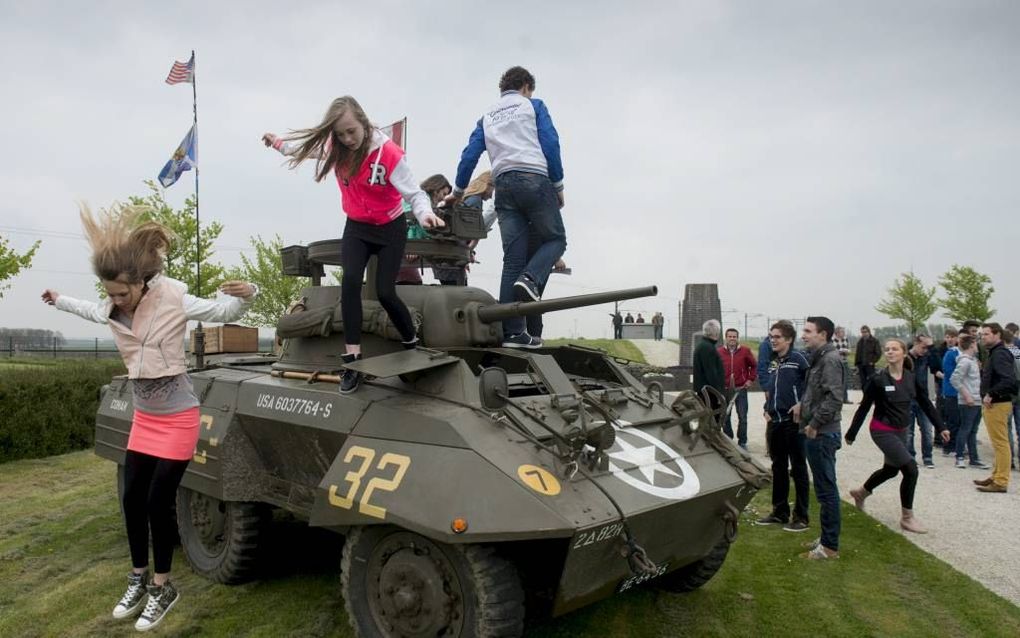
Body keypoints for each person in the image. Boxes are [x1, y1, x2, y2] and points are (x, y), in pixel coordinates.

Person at [42, 204, 258, 630]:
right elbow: (89, 310)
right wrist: (59, 300)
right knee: (130, 499)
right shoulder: (111, 305)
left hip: (178, 415)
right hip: (145, 416)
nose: (116, 300)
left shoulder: (173, 296)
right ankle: (138, 577)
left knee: (159, 501)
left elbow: (223, 313)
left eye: (123, 293)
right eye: (111, 293)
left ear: (141, 281)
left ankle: (163, 586)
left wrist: (248, 293)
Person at [262, 96, 444, 392]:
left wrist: (426, 215)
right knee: (349, 284)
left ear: (363, 122)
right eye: (341, 134)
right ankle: (353, 359)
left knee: (386, 291)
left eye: (352, 131)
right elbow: (306, 150)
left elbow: (415, 194)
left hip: (389, 227)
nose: (348, 139)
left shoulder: (389, 154)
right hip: (358, 227)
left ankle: (411, 341)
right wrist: (279, 143)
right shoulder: (336, 147)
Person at [446, 65, 566, 349]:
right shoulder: (533, 105)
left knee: (512, 259)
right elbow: (550, 142)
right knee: (556, 239)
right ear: (525, 86)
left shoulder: (486, 117)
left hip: (503, 185)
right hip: (533, 178)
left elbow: (470, 154)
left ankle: (513, 333)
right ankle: (531, 279)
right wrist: (558, 185)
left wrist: (459, 191)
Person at [846, 339, 949, 533]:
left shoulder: (911, 378)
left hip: (901, 430)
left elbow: (926, 403)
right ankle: (907, 518)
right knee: (911, 469)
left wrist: (941, 426)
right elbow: (864, 408)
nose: (890, 352)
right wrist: (852, 433)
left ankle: (860, 493)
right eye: (887, 349)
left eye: (894, 349)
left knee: (890, 470)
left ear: (903, 353)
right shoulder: (878, 380)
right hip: (882, 430)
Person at [794, 316, 844, 560]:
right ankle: (826, 537)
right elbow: (816, 393)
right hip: (817, 430)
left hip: (822, 433)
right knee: (824, 489)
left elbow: (834, 398)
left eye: (808, 331)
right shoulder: (820, 358)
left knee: (826, 491)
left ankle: (829, 547)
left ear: (823, 334)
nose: (803, 335)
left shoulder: (831, 360)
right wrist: (801, 406)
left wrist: (814, 423)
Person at [756, 321, 811, 532]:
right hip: (775, 422)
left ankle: (801, 516)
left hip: (793, 422)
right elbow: (772, 388)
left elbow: (811, 387)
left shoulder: (799, 360)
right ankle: (779, 512)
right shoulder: (773, 362)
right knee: (778, 467)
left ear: (788, 339)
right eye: (771, 336)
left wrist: (802, 404)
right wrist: (767, 407)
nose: (773, 340)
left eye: (777, 337)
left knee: (798, 468)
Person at [974, 323, 1019, 493]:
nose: (983, 337)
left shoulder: (1000, 354)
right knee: (998, 442)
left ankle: (1001, 481)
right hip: (995, 403)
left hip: (998, 403)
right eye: (982, 334)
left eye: (986, 334)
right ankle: (996, 475)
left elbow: (1009, 381)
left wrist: (991, 393)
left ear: (997, 334)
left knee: (1001, 443)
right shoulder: (995, 353)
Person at [397, 174, 452, 285]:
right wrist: (413, 247)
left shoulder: (426, 203)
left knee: (413, 280)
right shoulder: (420, 201)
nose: (443, 198)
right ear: (436, 190)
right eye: (443, 193)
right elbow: (409, 222)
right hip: (408, 245)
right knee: (412, 281)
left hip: (408, 245)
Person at [950, 334, 989, 470]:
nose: (978, 346)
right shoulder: (965, 361)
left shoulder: (972, 361)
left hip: (977, 399)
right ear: (972, 345)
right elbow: (955, 379)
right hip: (969, 401)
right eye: (976, 344)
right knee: (965, 429)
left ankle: (974, 458)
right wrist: (967, 395)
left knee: (973, 430)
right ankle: (959, 457)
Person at [718, 328, 757, 450]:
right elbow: (715, 369)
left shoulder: (745, 351)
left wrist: (750, 379)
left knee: (742, 416)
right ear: (726, 338)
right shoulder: (719, 352)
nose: (732, 339)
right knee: (725, 415)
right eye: (730, 336)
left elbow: (754, 366)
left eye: (734, 336)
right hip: (724, 389)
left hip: (741, 389)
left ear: (737, 338)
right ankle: (728, 439)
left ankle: (742, 442)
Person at [906, 334, 937, 468]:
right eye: (924, 347)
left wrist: (932, 349)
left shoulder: (926, 357)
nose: (925, 350)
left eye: (927, 348)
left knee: (927, 429)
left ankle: (928, 456)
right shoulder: (905, 357)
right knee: (908, 431)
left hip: (923, 398)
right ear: (916, 343)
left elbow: (937, 366)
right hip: (908, 398)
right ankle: (910, 457)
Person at [692, 319, 725, 413]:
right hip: (709, 393)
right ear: (716, 333)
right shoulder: (708, 348)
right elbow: (711, 372)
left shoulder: (703, 346)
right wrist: (719, 393)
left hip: (705, 391)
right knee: (712, 421)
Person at [938, 329, 962, 456]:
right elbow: (949, 372)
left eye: (952, 337)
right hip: (951, 391)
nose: (950, 339)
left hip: (960, 391)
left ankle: (957, 445)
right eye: (948, 337)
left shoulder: (959, 352)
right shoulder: (950, 353)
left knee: (959, 420)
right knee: (952, 420)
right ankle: (949, 447)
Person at [855, 325, 882, 393]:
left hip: (869, 365)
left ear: (869, 332)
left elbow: (878, 353)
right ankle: (864, 398)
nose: (864, 334)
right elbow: (857, 353)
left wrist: (873, 361)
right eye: (862, 332)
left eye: (865, 332)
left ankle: (872, 398)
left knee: (871, 382)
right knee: (863, 382)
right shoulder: (860, 342)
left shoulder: (874, 341)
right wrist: (857, 364)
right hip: (861, 365)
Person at [833, 326, 852, 403]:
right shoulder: (832, 340)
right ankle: (837, 398)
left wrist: (847, 351)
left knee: (845, 381)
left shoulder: (846, 339)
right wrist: (839, 352)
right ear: (837, 332)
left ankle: (845, 398)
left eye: (843, 332)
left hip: (844, 361)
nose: (843, 333)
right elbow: (832, 351)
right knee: (837, 381)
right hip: (836, 362)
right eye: (842, 331)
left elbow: (849, 349)